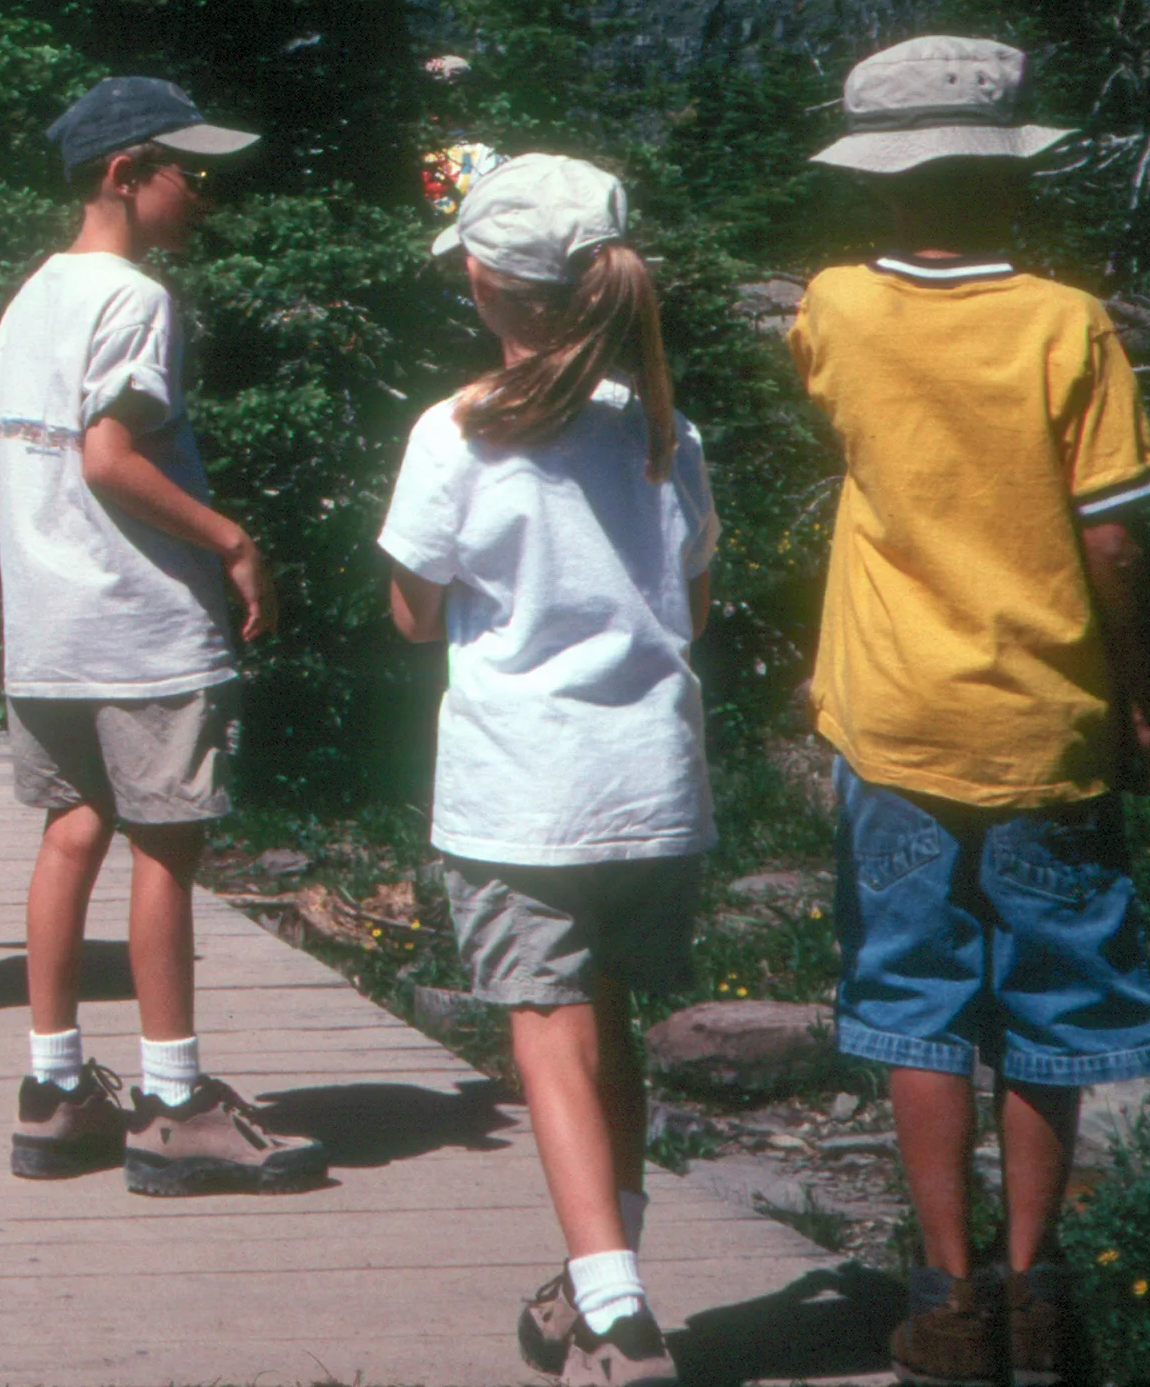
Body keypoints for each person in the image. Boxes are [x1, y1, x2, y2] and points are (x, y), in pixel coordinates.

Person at [791, 37, 1150, 1387]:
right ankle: (1035, 1294)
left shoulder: (836, 305)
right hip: (1045, 723)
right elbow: (1114, 546)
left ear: (883, 182)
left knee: (915, 1003)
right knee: (1052, 1016)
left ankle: (943, 1304)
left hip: (893, 720)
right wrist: (1133, 694)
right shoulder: (1070, 324)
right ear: (1005, 170)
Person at [380, 154, 715, 1387]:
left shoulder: (455, 431)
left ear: (484, 282)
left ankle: (622, 1316)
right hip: (650, 782)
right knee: (610, 1027)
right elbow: (695, 591)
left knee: (547, 1029)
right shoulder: (668, 432)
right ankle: (595, 1263)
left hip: (522, 785)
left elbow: (414, 611)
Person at [0, 75, 325, 1197]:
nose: (205, 195)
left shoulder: (32, 294)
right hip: (142, 626)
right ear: (126, 174)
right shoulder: (137, 298)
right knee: (167, 848)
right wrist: (231, 538)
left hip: (48, 628)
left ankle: (54, 1086)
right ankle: (173, 1101)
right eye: (190, 172)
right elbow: (110, 456)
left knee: (71, 831)